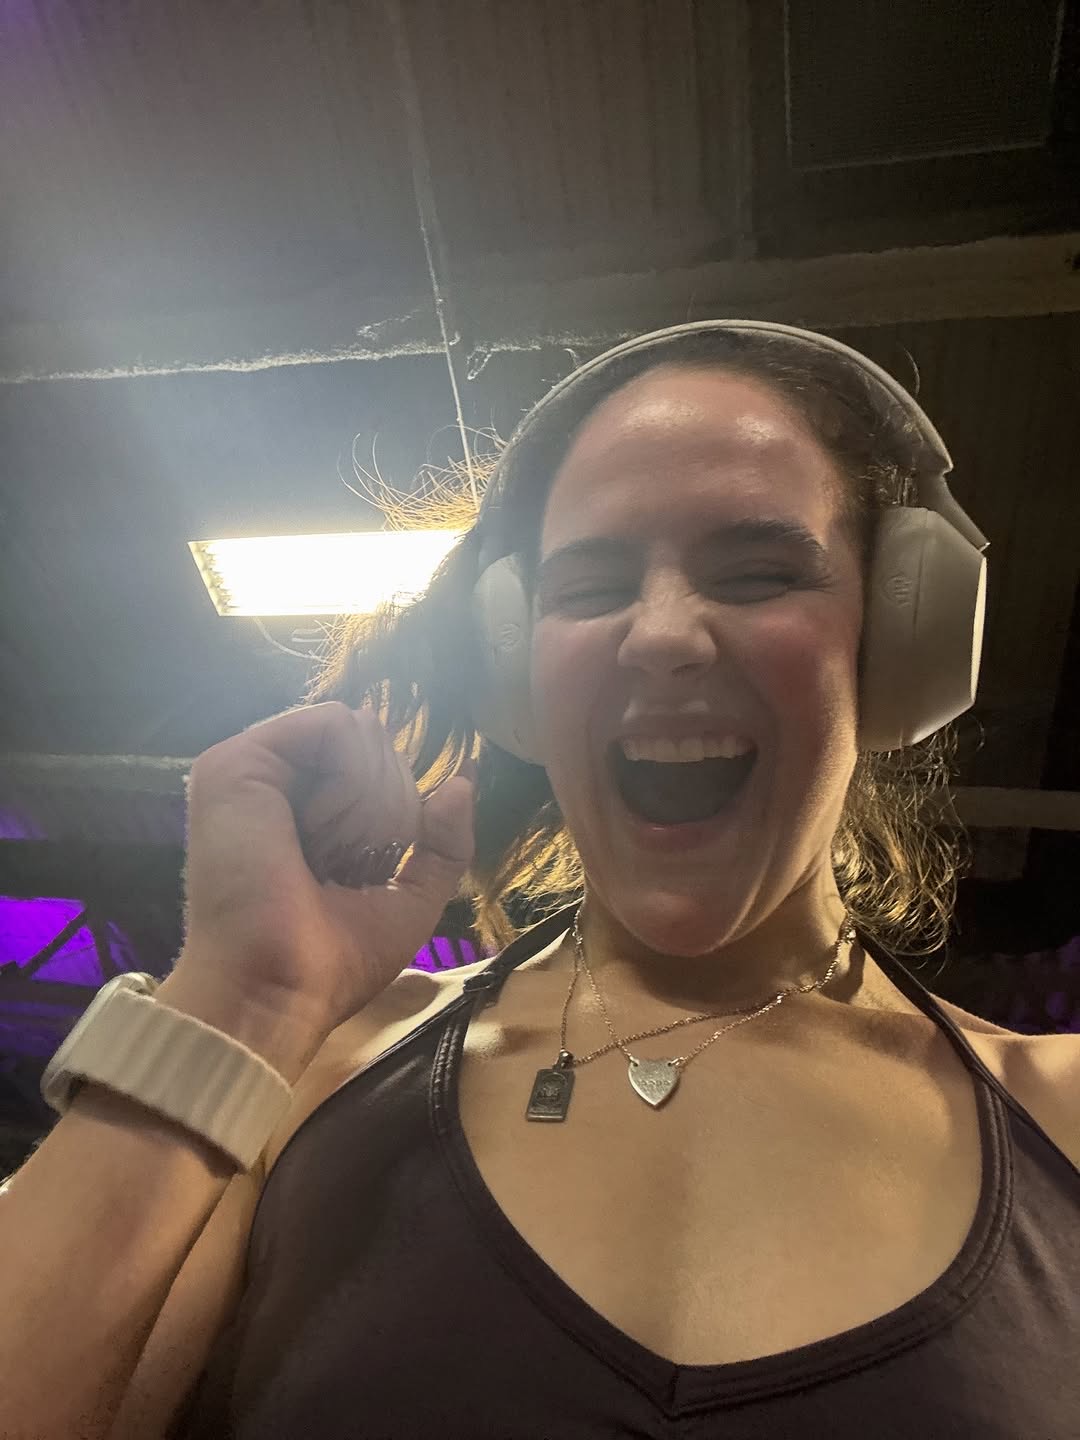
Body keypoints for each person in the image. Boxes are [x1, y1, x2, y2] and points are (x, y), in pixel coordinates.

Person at [2, 322, 1077, 1440]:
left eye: (759, 572)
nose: (661, 634)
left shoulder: (1061, 1118)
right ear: (519, 670)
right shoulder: (310, 1074)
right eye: (592, 584)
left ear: (899, 639)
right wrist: (238, 1001)